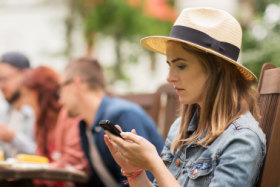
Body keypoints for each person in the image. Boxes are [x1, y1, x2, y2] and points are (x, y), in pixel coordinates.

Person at [104, 7, 266, 187]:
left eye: (181, 66)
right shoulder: (180, 129)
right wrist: (134, 171)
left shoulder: (242, 140)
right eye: (169, 65)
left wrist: (154, 162)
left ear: (218, 68)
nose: (169, 77)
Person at [58, 56, 164, 187]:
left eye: (61, 87)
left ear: (77, 84)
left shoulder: (122, 115)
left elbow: (145, 176)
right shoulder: (85, 126)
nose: (60, 99)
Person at [19, 66, 88, 187]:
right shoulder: (40, 123)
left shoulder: (69, 113)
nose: (25, 102)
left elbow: (73, 159)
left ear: (41, 93)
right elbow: (39, 156)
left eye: (27, 96)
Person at [0, 51, 36, 158]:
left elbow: (43, 153)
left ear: (24, 75)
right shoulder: (3, 112)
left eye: (4, 79)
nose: (1, 86)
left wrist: (13, 138)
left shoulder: (38, 112)